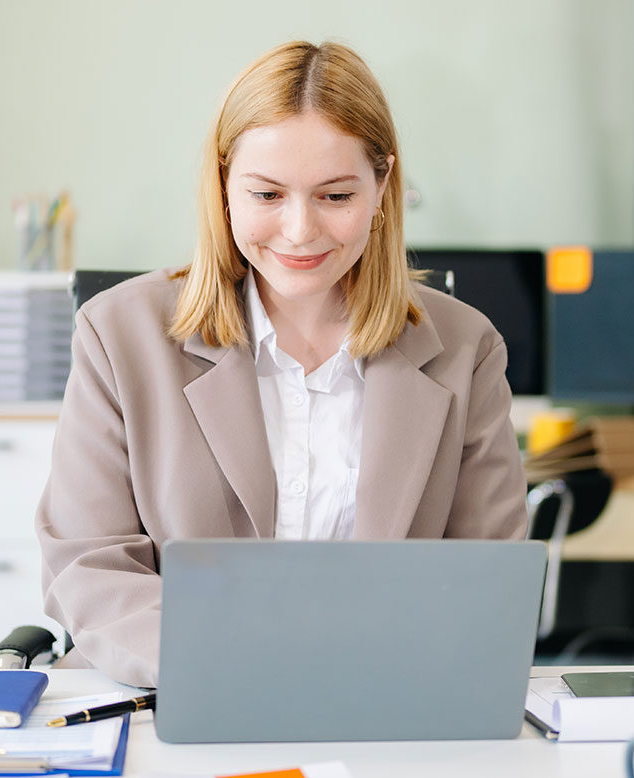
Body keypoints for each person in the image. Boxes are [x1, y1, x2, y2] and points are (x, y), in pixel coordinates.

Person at [36, 40, 528, 688]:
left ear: (382, 185)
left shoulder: (467, 349)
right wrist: (243, 669)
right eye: (267, 195)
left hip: (385, 700)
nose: (299, 231)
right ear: (223, 187)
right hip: (180, 694)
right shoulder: (117, 334)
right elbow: (89, 566)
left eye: (334, 196)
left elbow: (487, 581)